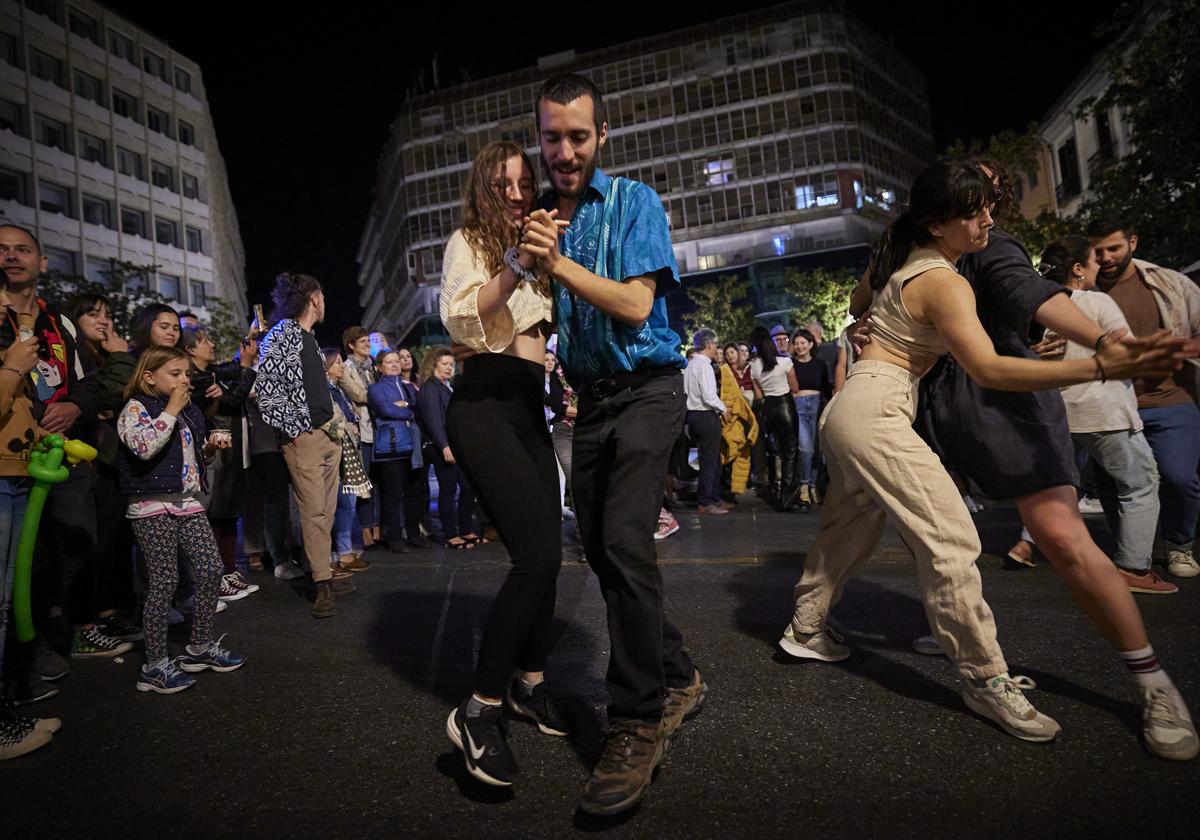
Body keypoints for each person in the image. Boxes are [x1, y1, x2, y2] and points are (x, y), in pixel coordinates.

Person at [782, 161, 1196, 762]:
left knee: (851, 522)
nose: (988, 217)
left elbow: (866, 302)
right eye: (974, 209)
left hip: (864, 405)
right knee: (952, 541)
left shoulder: (902, 256)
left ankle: (807, 627)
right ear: (936, 221)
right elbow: (992, 367)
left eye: (991, 202)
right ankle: (985, 679)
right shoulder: (943, 278)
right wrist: (1104, 361)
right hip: (879, 407)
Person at [518, 75, 705, 814]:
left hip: (649, 390)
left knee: (626, 541)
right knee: (597, 548)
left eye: (578, 136)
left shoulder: (632, 202)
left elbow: (634, 304)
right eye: (552, 137)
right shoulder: (537, 217)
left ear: (601, 137)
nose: (564, 151)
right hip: (590, 404)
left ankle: (636, 719)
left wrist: (555, 262)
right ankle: (678, 672)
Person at [438, 139, 572, 787]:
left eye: (524, 183)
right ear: (482, 189)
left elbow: (547, 333)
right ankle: (479, 708)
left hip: (528, 406)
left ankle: (531, 682)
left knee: (550, 555)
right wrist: (518, 260)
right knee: (536, 558)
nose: (517, 194)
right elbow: (464, 320)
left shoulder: (540, 250)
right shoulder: (471, 241)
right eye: (503, 184)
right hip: (483, 399)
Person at [1005, 235, 1171, 593]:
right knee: (1141, 483)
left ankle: (1027, 544)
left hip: (1058, 412)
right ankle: (1134, 569)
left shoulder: (1038, 308)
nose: (1101, 268)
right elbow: (1122, 353)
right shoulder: (1096, 301)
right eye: (1095, 262)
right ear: (1078, 269)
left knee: (1056, 487)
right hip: (1104, 412)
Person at [0, 224, 118, 710]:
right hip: (9, 458)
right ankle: (23, 661)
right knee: (15, 569)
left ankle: (40, 644)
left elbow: (91, 383)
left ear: (41, 262)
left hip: (59, 454)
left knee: (69, 546)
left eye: (22, 249)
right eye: (2, 250)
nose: (11, 257)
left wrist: (73, 407)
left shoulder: (57, 321)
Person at [117, 346, 245, 694]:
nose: (185, 381)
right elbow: (143, 447)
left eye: (187, 374)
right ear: (148, 377)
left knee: (210, 569)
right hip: (151, 505)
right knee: (164, 582)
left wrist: (209, 449)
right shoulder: (136, 408)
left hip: (187, 502)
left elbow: (190, 456)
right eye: (175, 374)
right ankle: (155, 665)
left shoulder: (189, 412)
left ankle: (200, 647)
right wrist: (171, 409)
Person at [1089, 217, 1199, 579]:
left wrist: (1184, 348)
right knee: (1112, 482)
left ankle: (1180, 546)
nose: (1105, 257)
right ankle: (1132, 554)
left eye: (1114, 248)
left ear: (1132, 243)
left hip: (1170, 398)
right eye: (1098, 250)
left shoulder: (1167, 283)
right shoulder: (1083, 291)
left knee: (1179, 477)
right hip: (1112, 406)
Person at [257, 272, 354, 618]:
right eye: (323, 296)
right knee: (313, 511)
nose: (325, 302)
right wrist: (297, 430)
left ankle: (322, 573)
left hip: (326, 435)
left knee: (324, 512)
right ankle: (322, 585)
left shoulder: (308, 338)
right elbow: (266, 395)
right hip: (305, 438)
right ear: (313, 298)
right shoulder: (281, 334)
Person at [63, 292, 141, 640]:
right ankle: (86, 622)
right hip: (88, 461)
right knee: (93, 544)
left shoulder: (102, 357)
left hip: (110, 461)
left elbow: (120, 399)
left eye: (108, 314)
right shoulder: (83, 358)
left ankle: (110, 612)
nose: (104, 321)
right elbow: (109, 394)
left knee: (114, 541)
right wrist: (123, 357)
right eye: (93, 314)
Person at [0, 324, 61, 756]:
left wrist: (46, 438)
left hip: (16, 477)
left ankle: (5, 710)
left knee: (5, 603)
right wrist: (9, 370)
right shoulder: (11, 364)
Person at [180, 324, 260, 601]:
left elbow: (230, 371)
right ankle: (212, 579)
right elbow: (233, 398)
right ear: (190, 349)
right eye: (205, 341)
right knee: (215, 513)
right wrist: (248, 366)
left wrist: (244, 357)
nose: (212, 344)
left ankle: (226, 571)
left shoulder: (210, 373)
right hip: (213, 453)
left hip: (229, 451)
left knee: (227, 512)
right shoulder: (194, 380)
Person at [414, 346, 476, 549]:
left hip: (454, 444)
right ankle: (451, 534)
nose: (449, 367)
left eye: (451, 364)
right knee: (448, 489)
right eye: (445, 364)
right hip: (440, 445)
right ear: (434, 364)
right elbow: (433, 421)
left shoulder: (445, 386)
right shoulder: (430, 387)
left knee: (467, 488)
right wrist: (444, 446)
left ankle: (465, 530)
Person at [367, 349, 425, 551]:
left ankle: (414, 534)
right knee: (393, 494)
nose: (394, 364)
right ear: (380, 367)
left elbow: (418, 409)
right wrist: (405, 410)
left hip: (413, 445)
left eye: (396, 361)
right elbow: (385, 410)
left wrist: (405, 405)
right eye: (389, 362)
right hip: (391, 447)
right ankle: (395, 538)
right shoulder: (376, 389)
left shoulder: (409, 388)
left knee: (414, 491)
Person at [322, 349, 371, 575]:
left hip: (349, 451)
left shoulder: (338, 389)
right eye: (338, 363)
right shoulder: (325, 390)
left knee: (348, 503)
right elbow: (333, 419)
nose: (342, 367)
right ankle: (340, 554)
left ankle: (345, 552)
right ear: (327, 366)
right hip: (336, 452)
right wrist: (346, 426)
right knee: (342, 503)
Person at [338, 326, 382, 552]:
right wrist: (383, 395)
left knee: (380, 482)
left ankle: (377, 528)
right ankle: (366, 531)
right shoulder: (346, 368)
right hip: (362, 432)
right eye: (362, 341)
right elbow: (359, 394)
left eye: (368, 340)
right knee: (364, 483)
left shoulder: (374, 367)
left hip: (380, 431)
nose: (367, 344)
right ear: (351, 345)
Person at [750, 325, 802, 510]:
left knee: (779, 451)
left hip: (769, 409)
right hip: (785, 406)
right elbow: (794, 388)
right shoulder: (784, 362)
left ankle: (783, 492)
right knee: (791, 452)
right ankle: (789, 498)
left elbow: (758, 396)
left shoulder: (754, 367)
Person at [684, 329, 730, 515]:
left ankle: (714, 497)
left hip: (692, 416)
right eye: (716, 345)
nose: (717, 349)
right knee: (709, 461)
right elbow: (709, 395)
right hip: (705, 416)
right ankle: (706, 501)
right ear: (710, 345)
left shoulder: (690, 364)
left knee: (710, 460)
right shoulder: (704, 365)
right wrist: (723, 408)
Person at [790, 327, 832, 510]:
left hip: (817, 406)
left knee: (817, 450)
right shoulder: (791, 364)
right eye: (797, 343)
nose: (799, 346)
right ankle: (804, 486)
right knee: (805, 449)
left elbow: (825, 387)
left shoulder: (820, 364)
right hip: (798, 405)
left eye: (803, 343)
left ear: (811, 344)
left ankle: (814, 487)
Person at [718, 343, 758, 496]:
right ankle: (729, 483)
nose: (730, 356)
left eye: (732, 352)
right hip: (733, 415)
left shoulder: (749, 369)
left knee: (748, 445)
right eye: (727, 353)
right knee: (732, 445)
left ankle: (748, 479)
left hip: (750, 413)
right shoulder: (724, 372)